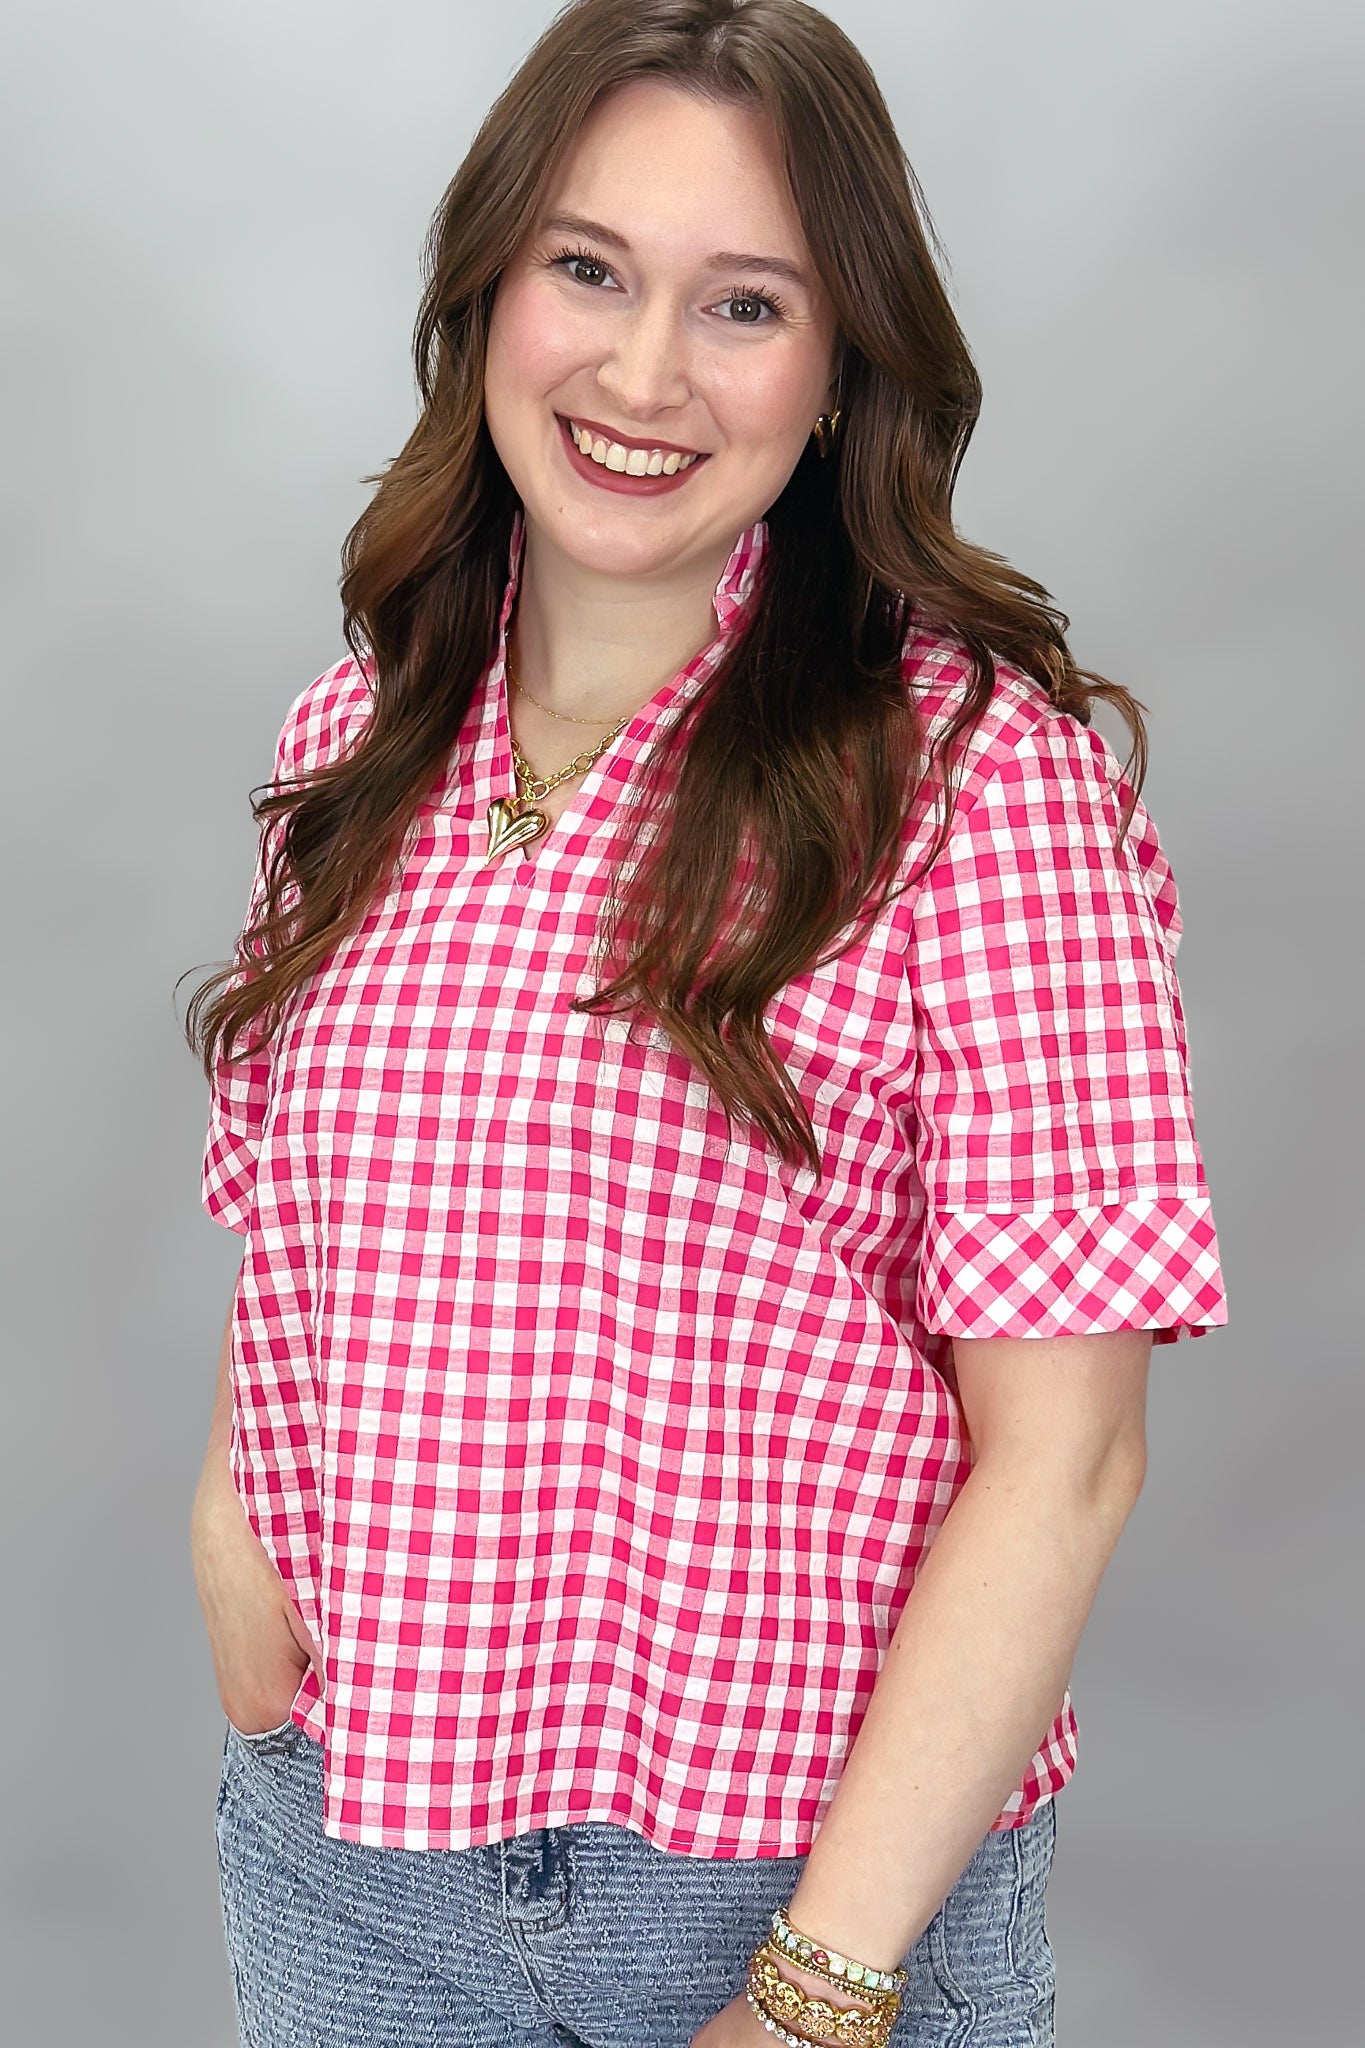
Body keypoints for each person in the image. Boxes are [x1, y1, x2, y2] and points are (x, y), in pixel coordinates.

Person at [184, 4, 1227, 2044]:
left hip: (796, 1878)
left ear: (838, 371)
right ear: (485, 288)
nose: (643, 373)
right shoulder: (356, 732)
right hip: (352, 1862)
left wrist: (819, 1986)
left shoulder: (977, 781)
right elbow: (301, 1224)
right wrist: (232, 1511)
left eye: (743, 304)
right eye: (586, 268)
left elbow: (1067, 1457)